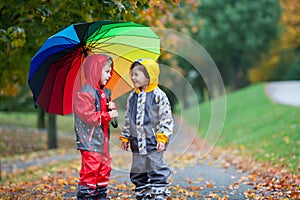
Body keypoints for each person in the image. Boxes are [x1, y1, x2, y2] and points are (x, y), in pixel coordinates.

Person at [120, 58, 174, 200]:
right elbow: (128, 119)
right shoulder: (132, 97)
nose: (133, 77)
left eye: (137, 74)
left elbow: (166, 118)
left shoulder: (159, 95)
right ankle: (142, 192)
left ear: (149, 76)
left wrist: (162, 137)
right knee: (138, 169)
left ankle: (158, 192)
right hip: (136, 142)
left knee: (156, 166)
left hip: (154, 141)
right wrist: (125, 136)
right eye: (132, 74)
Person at [73, 54, 119, 199]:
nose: (109, 74)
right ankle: (86, 195)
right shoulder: (85, 94)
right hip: (90, 142)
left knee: (104, 169)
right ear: (95, 71)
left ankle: (100, 195)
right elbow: (88, 117)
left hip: (103, 141)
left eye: (110, 71)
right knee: (91, 170)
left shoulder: (105, 93)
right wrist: (107, 115)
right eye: (106, 71)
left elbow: (112, 121)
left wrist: (111, 109)